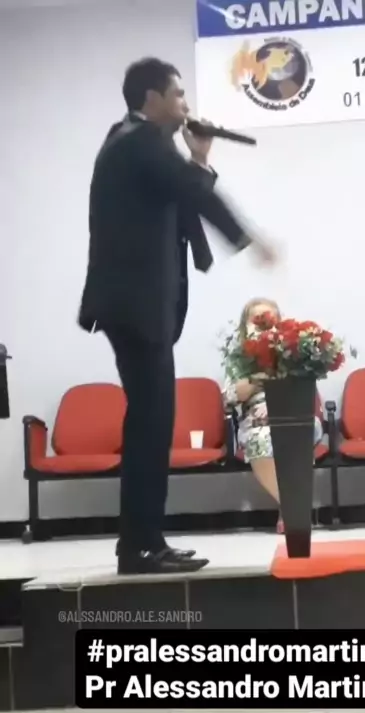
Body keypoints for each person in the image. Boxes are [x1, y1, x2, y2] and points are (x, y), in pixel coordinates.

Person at [78, 58, 276, 575]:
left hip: (136, 306)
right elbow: (194, 197)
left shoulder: (134, 141)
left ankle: (146, 541)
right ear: (153, 98)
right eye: (179, 95)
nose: (187, 105)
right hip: (136, 306)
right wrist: (251, 239)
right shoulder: (140, 142)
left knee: (151, 422)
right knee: (150, 424)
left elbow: (181, 196)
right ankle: (139, 548)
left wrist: (200, 158)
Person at [223, 298, 323, 533]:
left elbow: (305, 390)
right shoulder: (239, 358)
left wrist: (278, 406)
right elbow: (231, 397)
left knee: (293, 434)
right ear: (246, 325)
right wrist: (259, 377)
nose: (263, 324)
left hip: (296, 413)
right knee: (260, 439)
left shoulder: (294, 350)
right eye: (256, 319)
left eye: (269, 318)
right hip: (256, 421)